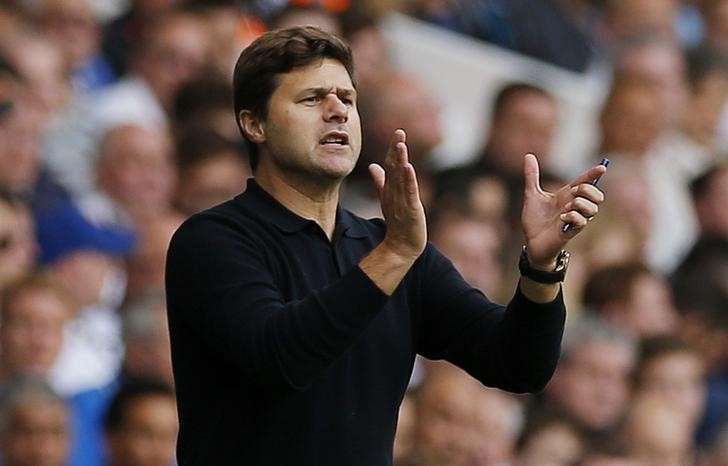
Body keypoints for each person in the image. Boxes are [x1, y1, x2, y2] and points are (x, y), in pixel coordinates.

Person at [165, 26, 607, 465]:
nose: (337, 111)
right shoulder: (213, 241)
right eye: (311, 98)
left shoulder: (391, 249)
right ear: (254, 123)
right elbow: (280, 358)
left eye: (347, 99)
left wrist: (541, 266)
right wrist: (394, 254)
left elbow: (519, 365)